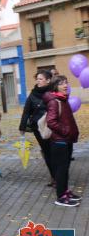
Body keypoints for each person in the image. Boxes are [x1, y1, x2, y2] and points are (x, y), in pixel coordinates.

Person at [44, 76, 81, 207]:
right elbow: (51, 121)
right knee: (61, 170)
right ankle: (60, 197)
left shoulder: (63, 99)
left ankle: (65, 192)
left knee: (65, 169)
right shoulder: (54, 101)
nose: (65, 85)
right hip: (59, 141)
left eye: (66, 82)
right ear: (55, 87)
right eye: (61, 83)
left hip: (66, 140)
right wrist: (65, 131)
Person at [19, 70, 54, 186]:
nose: (38, 81)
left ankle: (57, 175)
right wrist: (22, 126)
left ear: (48, 80)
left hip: (53, 126)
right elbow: (26, 111)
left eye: (40, 79)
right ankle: (54, 177)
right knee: (47, 152)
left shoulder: (53, 92)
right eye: (37, 79)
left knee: (55, 151)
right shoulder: (33, 94)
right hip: (38, 128)